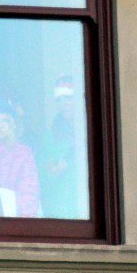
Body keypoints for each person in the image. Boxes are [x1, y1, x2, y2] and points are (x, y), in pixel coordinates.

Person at [38, 75, 88, 219]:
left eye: (68, 98)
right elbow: (39, 174)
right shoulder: (49, 136)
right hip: (60, 212)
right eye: (59, 100)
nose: (63, 103)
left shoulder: (92, 131)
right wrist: (50, 171)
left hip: (89, 208)